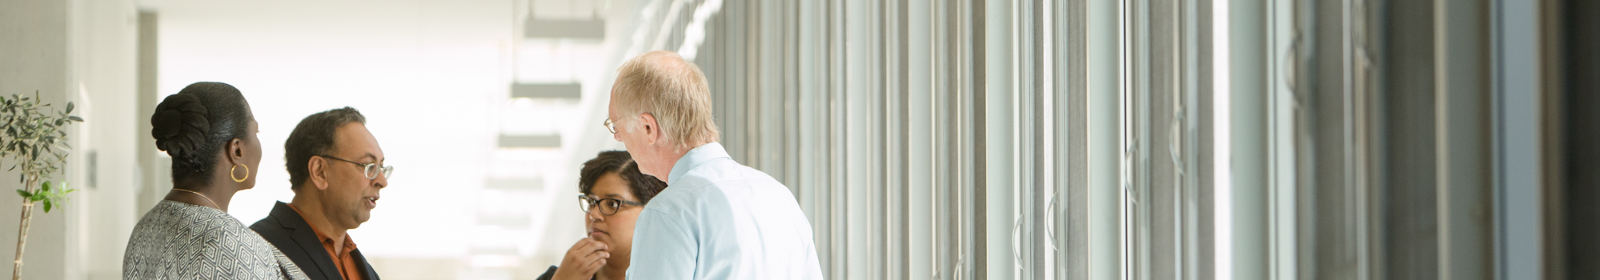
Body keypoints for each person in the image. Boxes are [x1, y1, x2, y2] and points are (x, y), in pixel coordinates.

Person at [607, 50, 823, 279]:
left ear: (648, 127)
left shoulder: (669, 213)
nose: (617, 138)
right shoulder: (780, 197)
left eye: (616, 126)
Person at [124, 82, 308, 279]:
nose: (258, 143)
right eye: (256, 132)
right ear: (236, 150)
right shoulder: (231, 243)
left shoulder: (147, 226)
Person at [251, 107, 389, 280]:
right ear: (319, 171)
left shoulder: (362, 267)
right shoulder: (256, 249)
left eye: (381, 167)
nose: (382, 181)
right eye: (368, 166)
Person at [537, 151, 668, 280]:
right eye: (591, 202)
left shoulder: (675, 274)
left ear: (651, 211)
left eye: (612, 204)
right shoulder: (557, 276)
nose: (593, 214)